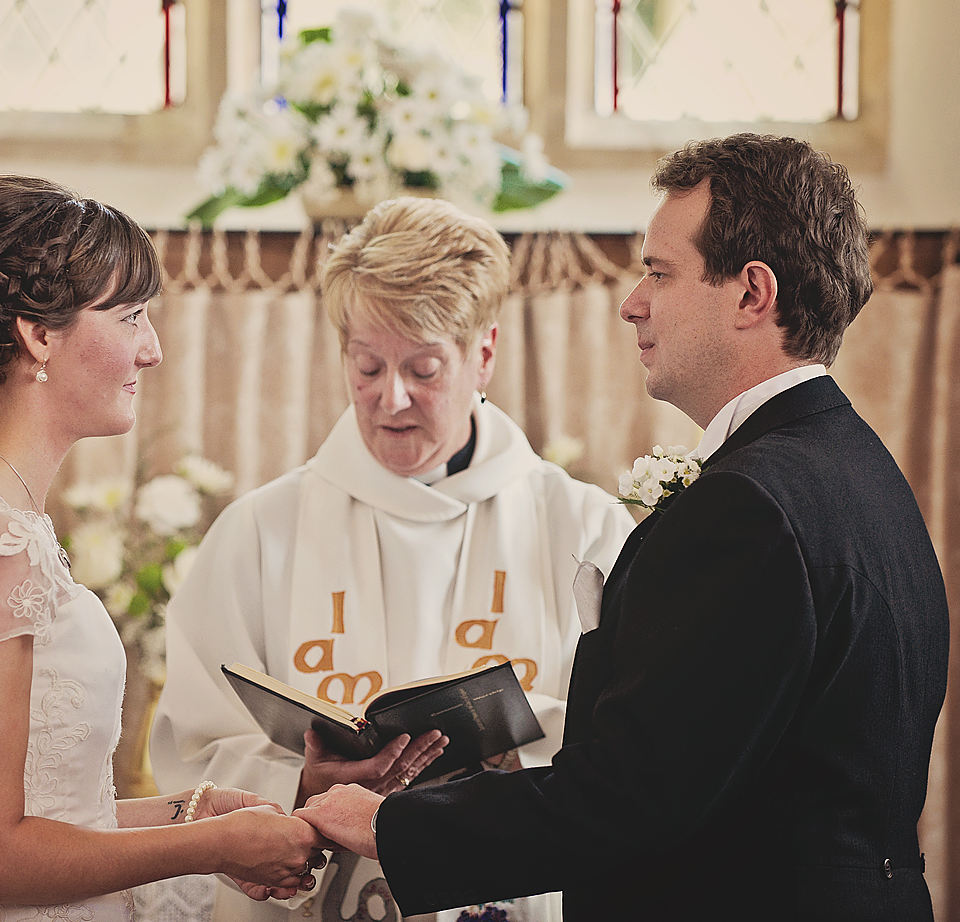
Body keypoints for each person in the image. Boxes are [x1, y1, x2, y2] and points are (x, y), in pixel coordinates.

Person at [296, 134, 952, 921]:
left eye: (659, 272)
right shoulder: (859, 470)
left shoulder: (750, 506)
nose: (631, 301)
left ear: (751, 294)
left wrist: (389, 825)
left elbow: (639, 793)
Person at [0, 175, 323, 921]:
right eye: (132, 316)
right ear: (39, 334)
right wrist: (214, 847)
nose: (153, 350)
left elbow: (48, 814)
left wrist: (195, 814)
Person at [150, 196, 636, 922]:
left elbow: (632, 751)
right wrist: (304, 784)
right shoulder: (259, 532)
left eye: (424, 368)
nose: (391, 398)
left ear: (485, 355)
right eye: (367, 365)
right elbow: (193, 747)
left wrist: (494, 768)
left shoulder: (583, 527)